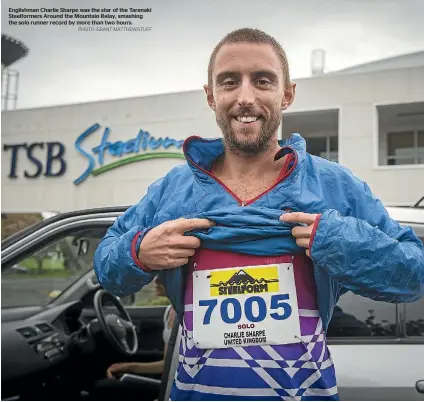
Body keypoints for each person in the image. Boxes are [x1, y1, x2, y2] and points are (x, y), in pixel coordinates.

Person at [94, 28, 424, 401]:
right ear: (210, 96)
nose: (245, 97)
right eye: (229, 82)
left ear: (287, 95)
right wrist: (138, 253)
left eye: (262, 81)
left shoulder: (334, 185)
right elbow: (108, 269)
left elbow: (414, 274)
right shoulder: (172, 190)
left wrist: (340, 241)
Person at [106, 276, 175, 379]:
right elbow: (166, 364)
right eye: (156, 274)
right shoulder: (169, 311)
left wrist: (129, 367)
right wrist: (127, 367)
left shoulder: (186, 316)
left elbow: (169, 367)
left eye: (164, 274)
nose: (156, 280)